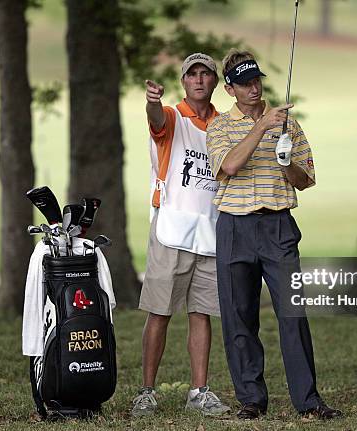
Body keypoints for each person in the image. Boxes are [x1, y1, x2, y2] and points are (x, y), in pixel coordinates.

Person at [205, 49, 343, 420]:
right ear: (230, 88)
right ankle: (252, 400)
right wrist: (262, 126)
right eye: (245, 83)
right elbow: (230, 166)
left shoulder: (289, 125)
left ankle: (308, 401)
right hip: (234, 226)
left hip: (278, 226)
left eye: (257, 81)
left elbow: (306, 179)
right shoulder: (220, 126)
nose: (254, 88)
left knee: (292, 314)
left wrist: (286, 164)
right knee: (239, 317)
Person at [131, 53, 231, 417]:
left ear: (215, 82)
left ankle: (199, 391)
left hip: (210, 231)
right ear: (184, 81)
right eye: (193, 74)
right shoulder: (172, 116)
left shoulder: (224, 124)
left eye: (206, 74)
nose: (200, 80)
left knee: (201, 313)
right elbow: (155, 121)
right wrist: (151, 103)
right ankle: (146, 391)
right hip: (171, 229)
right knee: (159, 313)